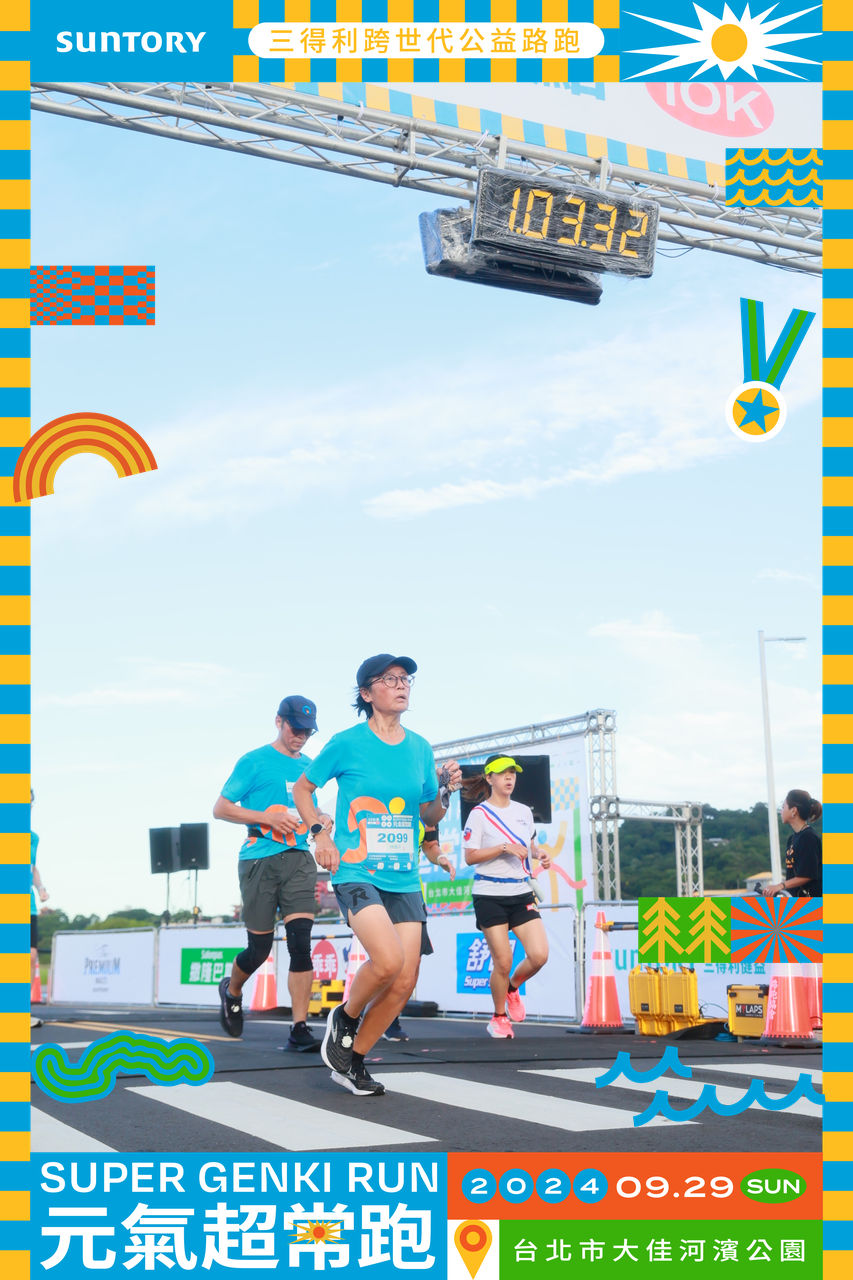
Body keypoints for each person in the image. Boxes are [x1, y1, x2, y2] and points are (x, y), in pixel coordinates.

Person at [292, 653, 461, 1096]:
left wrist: (445, 791)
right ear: (367, 693)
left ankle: (352, 1061)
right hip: (356, 870)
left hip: (403, 877)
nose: (402, 685)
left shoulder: (420, 748)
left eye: (406, 679)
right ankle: (345, 1017)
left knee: (404, 981)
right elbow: (303, 789)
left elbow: (428, 814)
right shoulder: (347, 743)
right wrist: (319, 834)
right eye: (390, 679)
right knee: (387, 961)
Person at [213, 696, 330, 1051]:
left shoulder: (309, 767)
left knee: (300, 943)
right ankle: (232, 990)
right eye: (296, 728)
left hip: (298, 858)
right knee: (259, 949)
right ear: (279, 721)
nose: (301, 737)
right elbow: (221, 808)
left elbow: (310, 809)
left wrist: (322, 820)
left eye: (308, 732)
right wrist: (267, 817)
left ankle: (299, 1028)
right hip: (259, 858)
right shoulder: (254, 761)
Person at [461, 755, 552, 1039]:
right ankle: (499, 1016)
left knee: (539, 955)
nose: (509, 777)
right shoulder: (479, 814)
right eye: (502, 773)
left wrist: (540, 853)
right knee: (503, 960)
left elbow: (530, 846)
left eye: (512, 772)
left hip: (520, 891)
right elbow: (470, 857)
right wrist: (503, 847)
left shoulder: (524, 811)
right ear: (489, 778)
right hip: (489, 894)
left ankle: (512, 987)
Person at [383, 822, 455, 1043]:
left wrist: (441, 858)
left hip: (412, 891)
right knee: (388, 961)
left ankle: (388, 1015)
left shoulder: (427, 812)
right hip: (379, 887)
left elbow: (430, 845)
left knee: (412, 965)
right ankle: (372, 1016)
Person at [764, 789, 822, 898]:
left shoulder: (808, 837)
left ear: (793, 811)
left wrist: (780, 886)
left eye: (783, 807)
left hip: (812, 903)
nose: (781, 811)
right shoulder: (792, 839)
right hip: (795, 902)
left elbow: (807, 874)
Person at [30, 789, 48, 1030]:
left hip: (28, 903)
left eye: (30, 803)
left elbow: (32, 867)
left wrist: (41, 888)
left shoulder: (33, 838)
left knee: (31, 956)